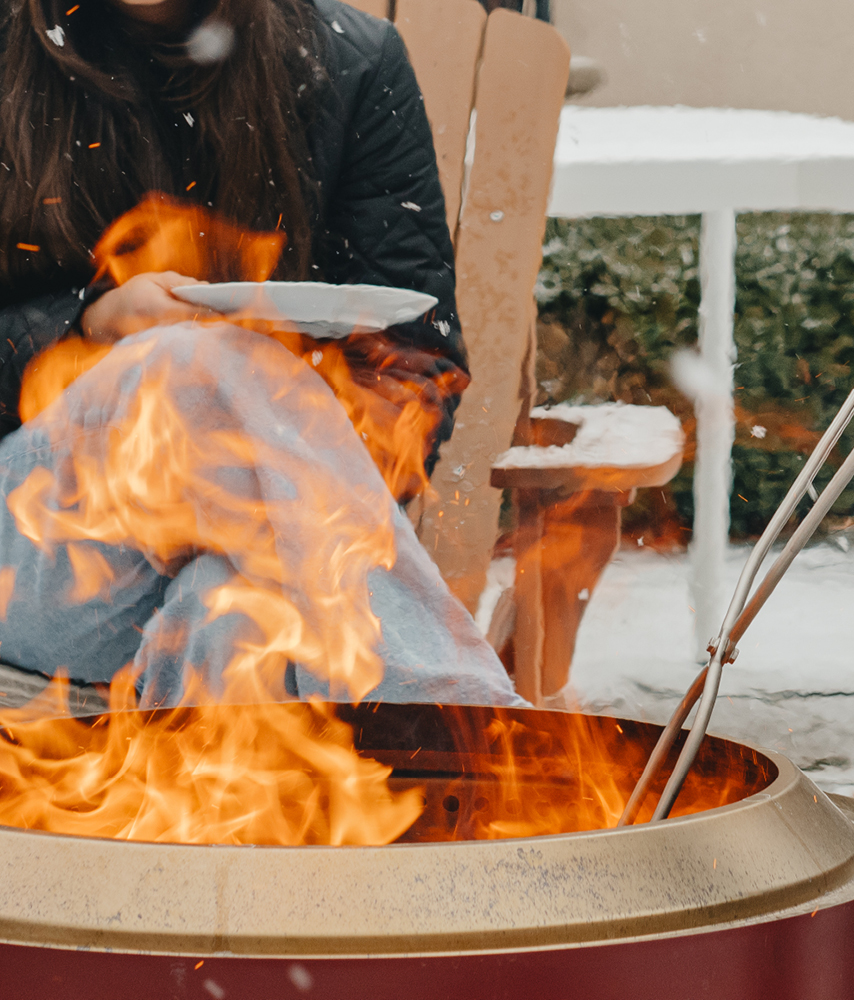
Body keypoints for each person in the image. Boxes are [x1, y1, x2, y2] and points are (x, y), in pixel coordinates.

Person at [0, 0, 522, 711]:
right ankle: (452, 717)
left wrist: (278, 430)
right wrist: (87, 327)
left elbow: (412, 364)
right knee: (192, 362)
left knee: (235, 615)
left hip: (277, 558)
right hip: (40, 554)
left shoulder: (348, 63)